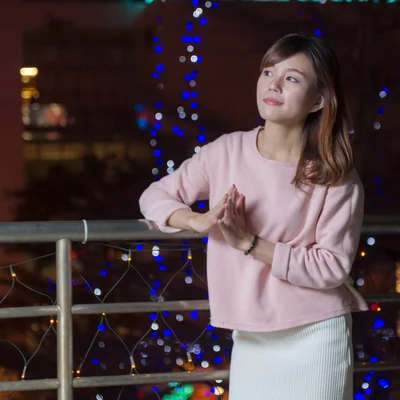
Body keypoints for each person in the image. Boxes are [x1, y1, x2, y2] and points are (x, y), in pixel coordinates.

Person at [139, 33, 367, 400]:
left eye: (291, 78)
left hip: (316, 332)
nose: (273, 84)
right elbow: (154, 195)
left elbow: (331, 268)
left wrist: (249, 243)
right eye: (267, 72)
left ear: (319, 99)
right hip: (250, 335)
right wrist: (193, 220)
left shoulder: (334, 174)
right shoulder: (226, 151)